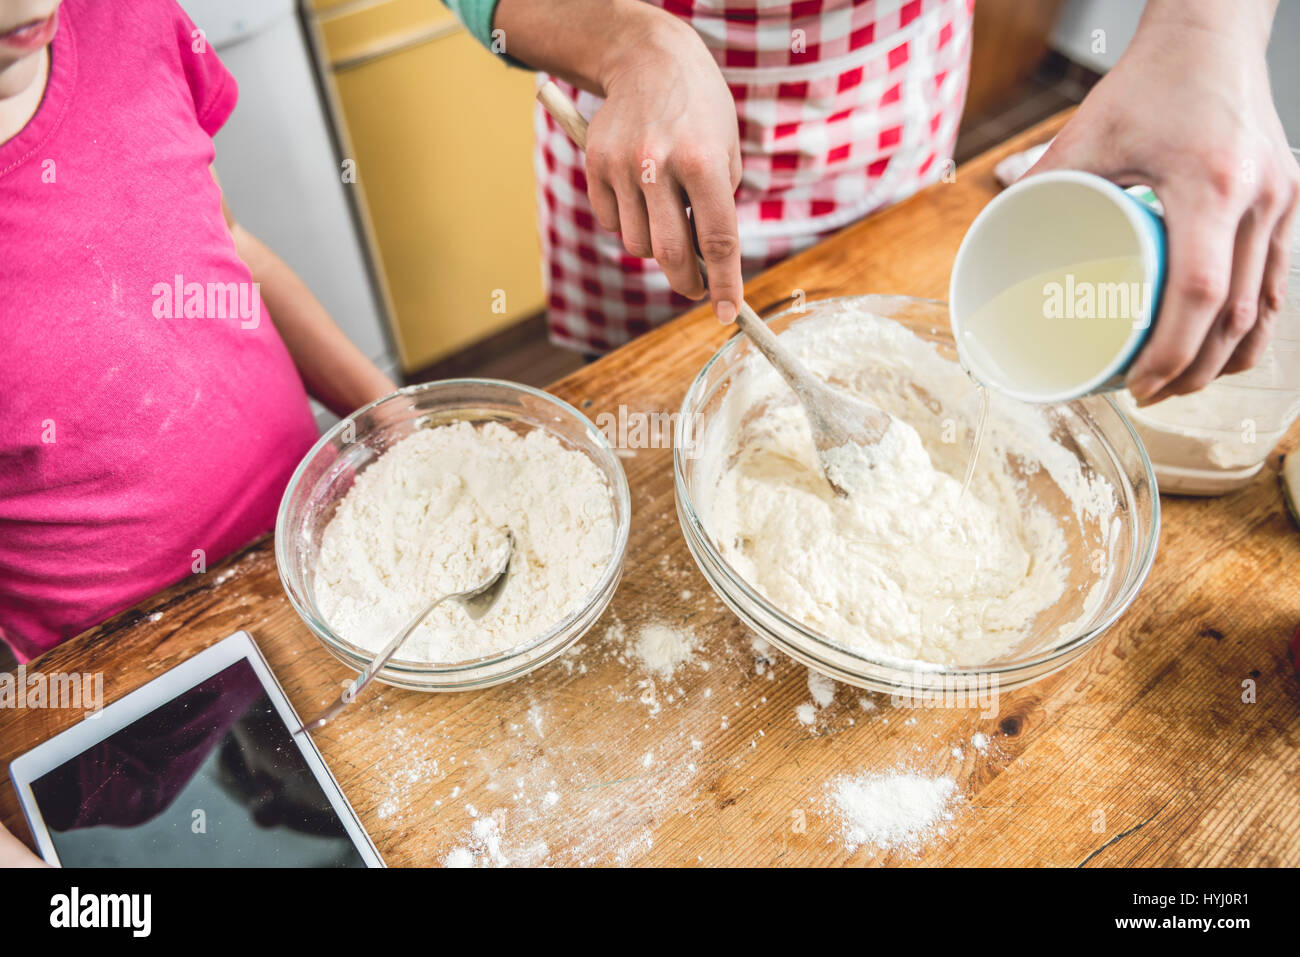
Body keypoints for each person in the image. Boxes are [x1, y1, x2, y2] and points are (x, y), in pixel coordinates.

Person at [447, 0, 1298, 404]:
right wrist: (626, 40)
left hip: (884, 111)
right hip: (643, 153)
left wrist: (1205, 31)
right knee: (654, 411)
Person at [0, 0, 396, 664]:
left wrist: (387, 408)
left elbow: (229, 241)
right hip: (150, 667)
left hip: (324, 546)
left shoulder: (129, 16)